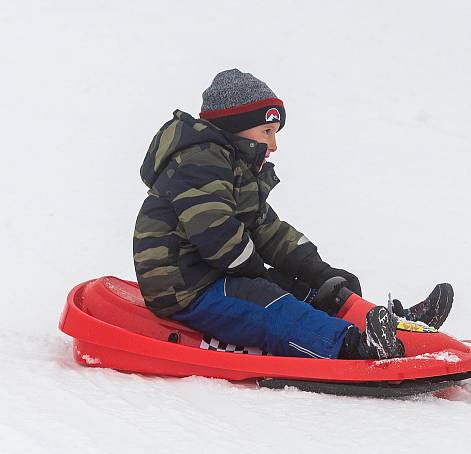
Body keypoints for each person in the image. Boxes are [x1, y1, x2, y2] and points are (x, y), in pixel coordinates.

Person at [132, 69, 453, 360]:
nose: (273, 145)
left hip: (218, 275)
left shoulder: (235, 169)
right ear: (236, 129)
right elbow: (216, 235)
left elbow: (268, 230)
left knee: (312, 290)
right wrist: (261, 276)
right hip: (186, 288)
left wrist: (320, 272)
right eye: (267, 131)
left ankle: (398, 329)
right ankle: (354, 347)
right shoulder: (200, 162)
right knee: (272, 303)